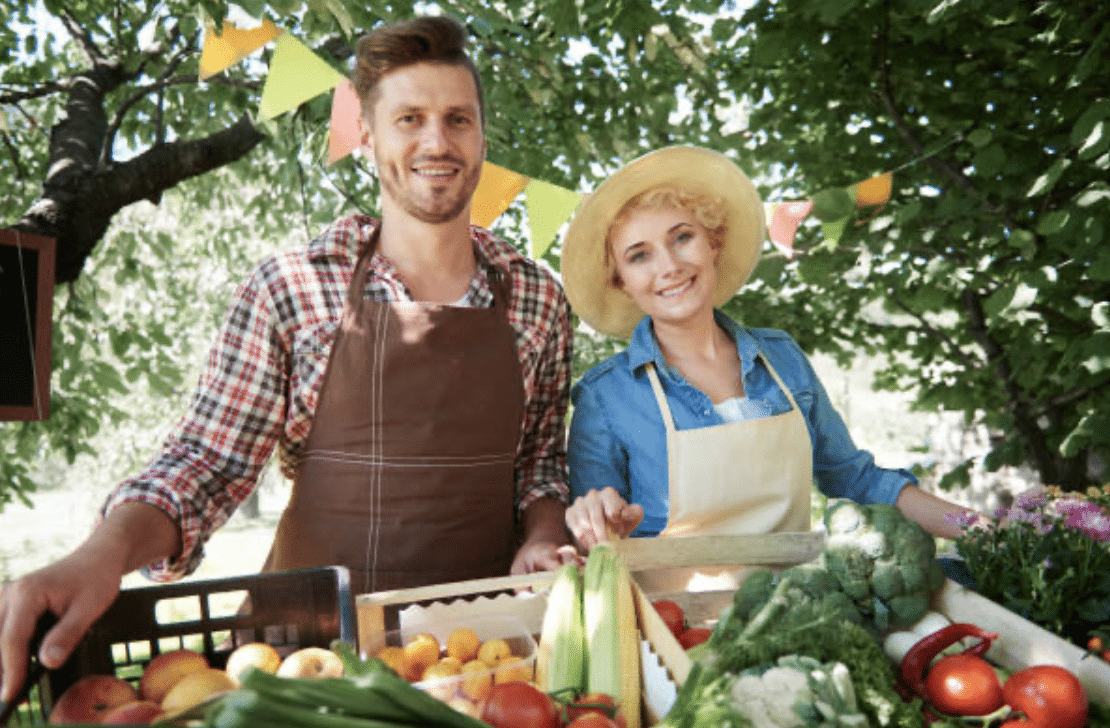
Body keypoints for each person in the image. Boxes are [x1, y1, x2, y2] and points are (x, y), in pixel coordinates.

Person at [0, 15, 576, 702]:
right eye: (409, 118)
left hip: (480, 663)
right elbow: (207, 464)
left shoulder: (537, 297)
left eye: (458, 119)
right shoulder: (293, 285)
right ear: (365, 135)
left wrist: (544, 536)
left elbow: (541, 464)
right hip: (301, 665)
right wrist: (103, 554)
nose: (436, 141)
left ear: (483, 134)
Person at [559, 145, 976, 591]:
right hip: (673, 628)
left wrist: (979, 527)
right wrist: (598, 522)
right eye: (639, 255)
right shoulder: (605, 395)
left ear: (713, 241)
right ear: (620, 280)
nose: (670, 265)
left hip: (797, 611)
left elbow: (857, 480)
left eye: (682, 237)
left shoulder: (782, 359)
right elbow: (596, 539)